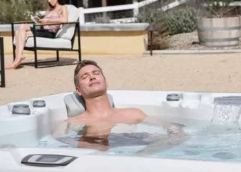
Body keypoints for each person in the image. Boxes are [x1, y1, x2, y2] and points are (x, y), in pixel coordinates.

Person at [52, 60, 189, 151]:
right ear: (78, 90)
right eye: (85, 77)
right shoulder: (71, 122)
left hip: (133, 152)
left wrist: (141, 156)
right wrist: (83, 144)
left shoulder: (133, 114)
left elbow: (172, 128)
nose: (92, 77)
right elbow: (58, 138)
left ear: (106, 82)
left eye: (96, 73)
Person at [7, 0, 68, 69]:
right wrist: (40, 21)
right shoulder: (49, 9)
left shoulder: (62, 7)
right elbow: (45, 22)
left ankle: (18, 58)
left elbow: (64, 20)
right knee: (18, 32)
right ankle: (18, 57)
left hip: (50, 33)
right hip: (42, 30)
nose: (49, 1)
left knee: (21, 28)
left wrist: (48, 20)